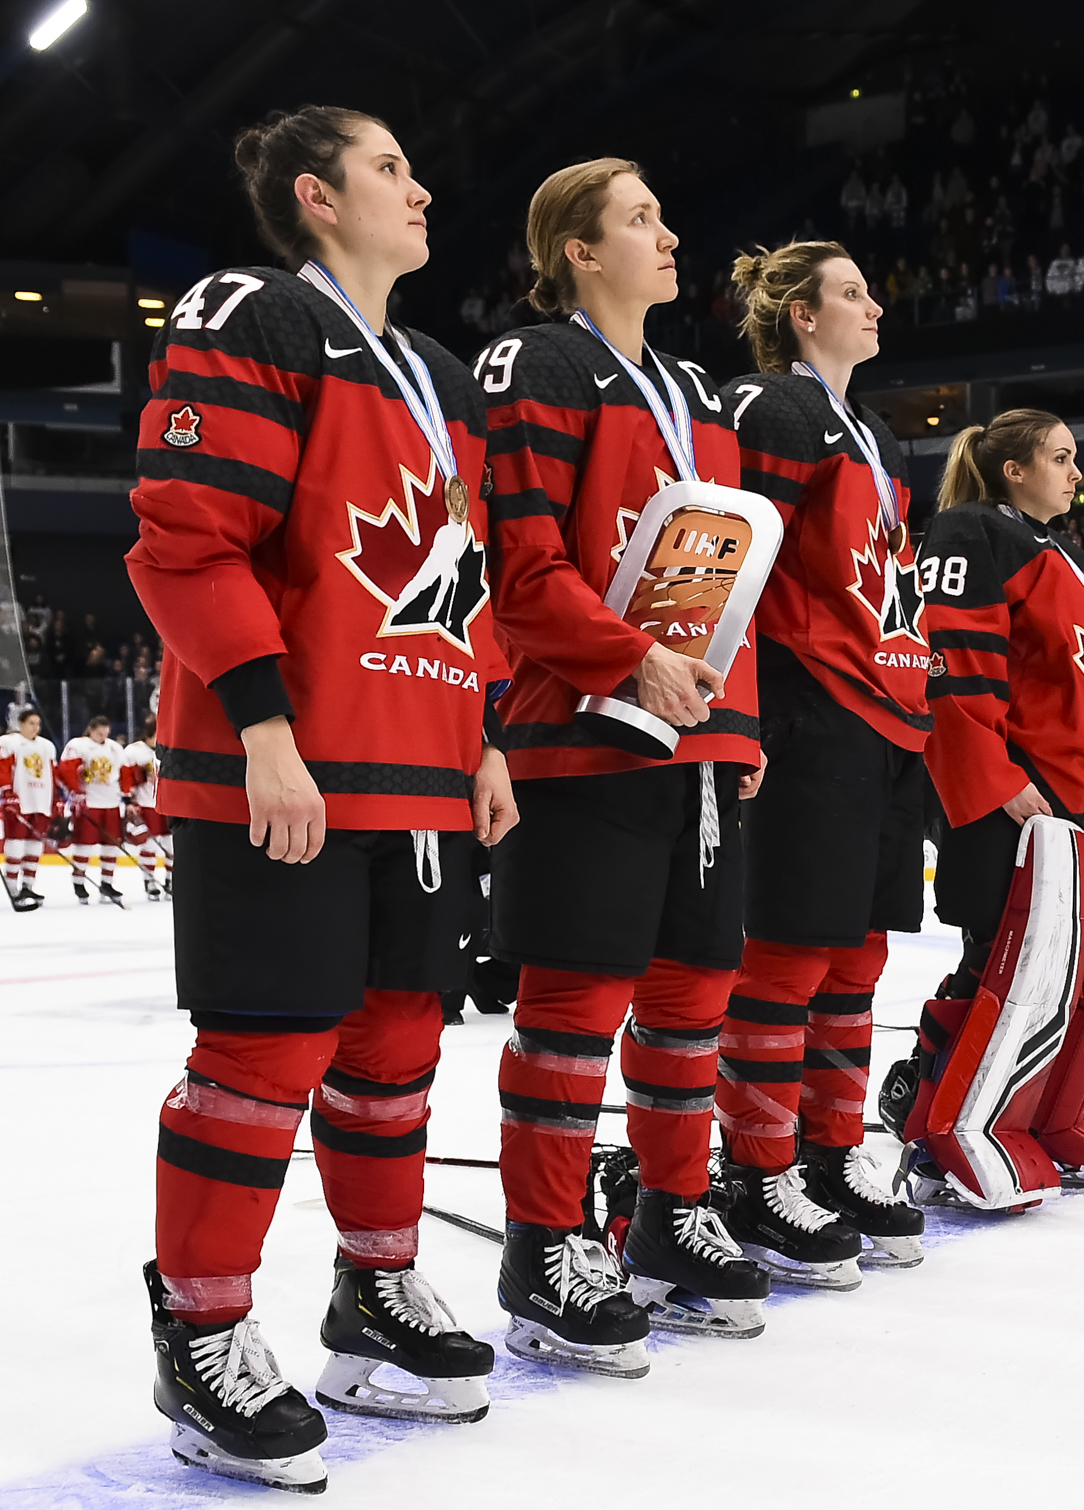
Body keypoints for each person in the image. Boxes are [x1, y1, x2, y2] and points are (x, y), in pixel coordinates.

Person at [124, 105, 566, 1491]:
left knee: (393, 1049)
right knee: (263, 1055)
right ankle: (199, 1329)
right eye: (390, 168)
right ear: (317, 197)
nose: (421, 188)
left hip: (418, 770)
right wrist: (261, 726)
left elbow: (463, 584)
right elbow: (187, 536)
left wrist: (482, 735)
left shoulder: (432, 371)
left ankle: (372, 1292)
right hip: (292, 765)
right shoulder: (253, 314)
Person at [474, 158, 778, 1363]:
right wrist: (622, 662)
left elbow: (720, 580)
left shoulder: (694, 391)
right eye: (640, 219)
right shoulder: (535, 363)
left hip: (692, 737)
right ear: (579, 251)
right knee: (573, 1004)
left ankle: (667, 1212)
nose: (666, 235)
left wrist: (735, 721)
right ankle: (543, 1239)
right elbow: (523, 565)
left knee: (693, 995)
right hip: (579, 736)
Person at [721, 244, 931, 1260]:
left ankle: (830, 1150)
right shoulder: (770, 410)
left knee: (860, 952)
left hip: (886, 713)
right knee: (789, 953)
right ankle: (758, 1169)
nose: (872, 302)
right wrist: (745, 711)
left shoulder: (879, 435)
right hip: (809, 709)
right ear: (802, 314)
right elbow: (744, 568)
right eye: (852, 291)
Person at [900, 409, 1084, 1207]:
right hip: (1020, 800)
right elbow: (952, 666)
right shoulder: (972, 530)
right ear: (1014, 470)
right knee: (996, 966)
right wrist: (997, 779)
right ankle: (935, 1116)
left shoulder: (1058, 552)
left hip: (1077, 806)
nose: (1077, 475)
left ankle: (1028, 1112)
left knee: (1061, 978)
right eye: (1062, 459)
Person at [56, 713, 125, 906]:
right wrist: (76, 792)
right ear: (91, 730)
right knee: (84, 845)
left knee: (111, 845)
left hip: (111, 802)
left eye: (106, 731)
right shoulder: (78, 745)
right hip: (89, 803)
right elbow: (66, 770)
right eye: (99, 731)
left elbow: (124, 772)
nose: (103, 735)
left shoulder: (115, 748)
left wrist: (128, 794)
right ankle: (79, 883)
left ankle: (107, 884)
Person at [0, 706, 56, 911]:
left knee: (34, 846)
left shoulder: (47, 746)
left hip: (41, 801)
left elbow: (53, 773)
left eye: (38, 724)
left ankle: (28, 887)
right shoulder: (9, 742)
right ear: (21, 724)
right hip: (19, 802)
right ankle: (13, 888)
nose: (36, 727)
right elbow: (3, 768)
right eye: (31, 723)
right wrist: (7, 793)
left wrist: (55, 800)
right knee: (15, 844)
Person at [121, 714, 171, 899]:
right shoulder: (134, 751)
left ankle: (170, 880)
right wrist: (129, 800)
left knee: (170, 845)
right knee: (150, 845)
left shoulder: (169, 748)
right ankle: (149, 881)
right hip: (146, 803)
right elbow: (126, 777)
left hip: (167, 804)